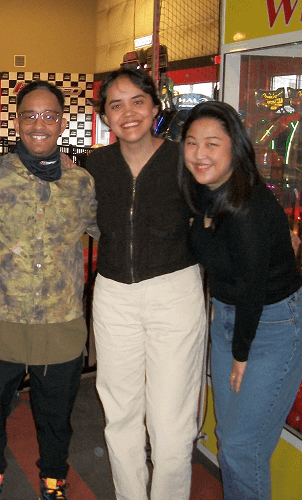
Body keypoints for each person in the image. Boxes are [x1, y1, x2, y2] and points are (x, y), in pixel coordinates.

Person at [84, 66, 207, 500]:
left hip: (174, 292)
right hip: (114, 294)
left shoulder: (182, 159)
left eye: (138, 101)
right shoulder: (94, 166)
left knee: (171, 422)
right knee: (120, 415)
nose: (128, 112)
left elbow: (221, 207)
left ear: (155, 107)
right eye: (116, 105)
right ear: (105, 116)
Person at [0, 80, 98, 500]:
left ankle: (53, 480)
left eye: (48, 116)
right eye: (30, 116)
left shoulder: (82, 183)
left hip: (60, 325)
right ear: (17, 121)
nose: (38, 125)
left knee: (55, 416)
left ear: (61, 122)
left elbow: (114, 230)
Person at [179, 101, 302, 499]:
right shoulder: (206, 195)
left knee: (240, 446)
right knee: (233, 444)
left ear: (236, 147)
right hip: (230, 319)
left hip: (271, 325)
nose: (200, 153)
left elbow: (251, 288)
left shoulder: (247, 204)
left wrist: (240, 353)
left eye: (212, 143)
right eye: (192, 143)